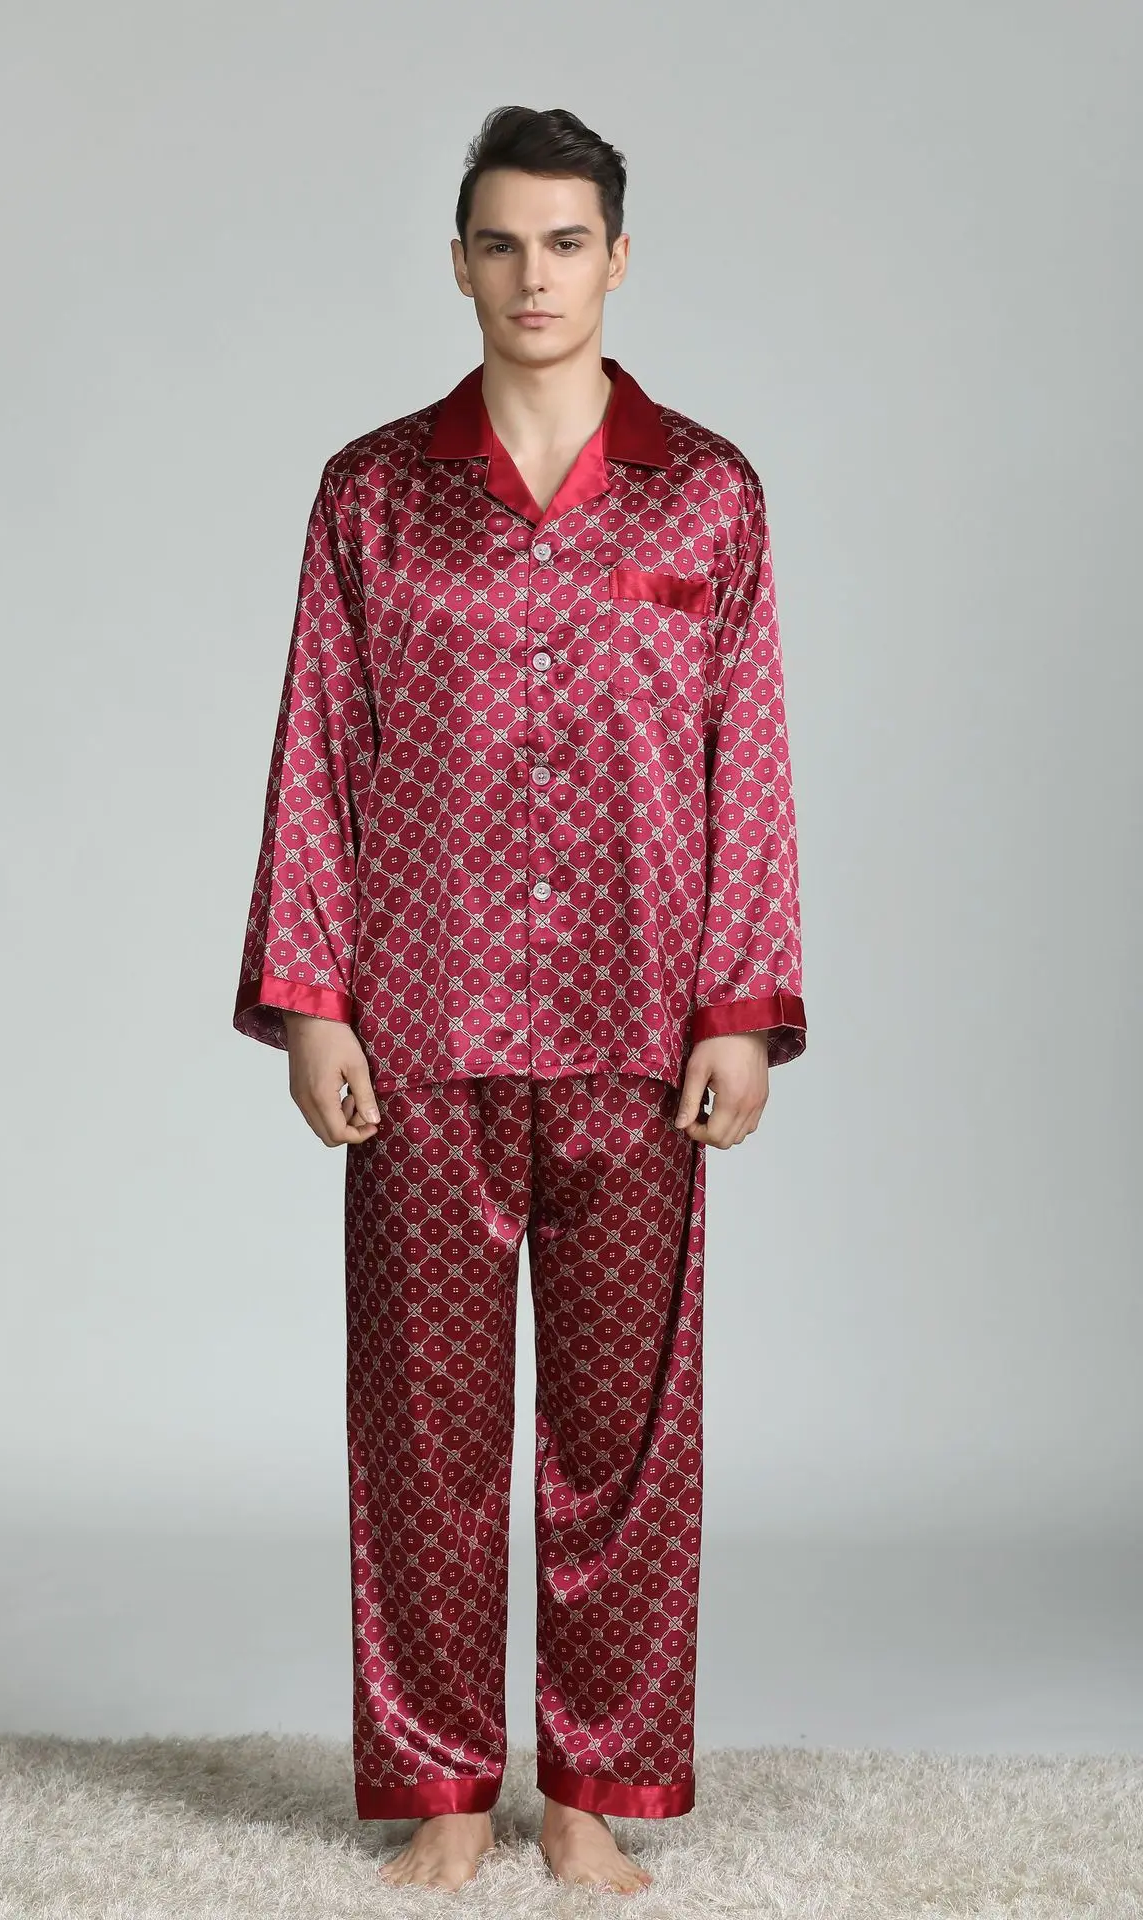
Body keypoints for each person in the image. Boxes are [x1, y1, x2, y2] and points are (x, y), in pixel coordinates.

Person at [232, 103, 807, 1896]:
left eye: (566, 243)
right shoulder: (372, 495)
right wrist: (313, 1003)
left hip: (643, 1030)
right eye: (502, 244)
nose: (534, 276)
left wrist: (740, 1007)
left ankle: (593, 1792)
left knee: (626, 1442)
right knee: (424, 1431)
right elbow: (318, 747)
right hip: (422, 1029)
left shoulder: (708, 494)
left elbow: (747, 760)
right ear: (460, 263)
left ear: (617, 259)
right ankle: (441, 1788)